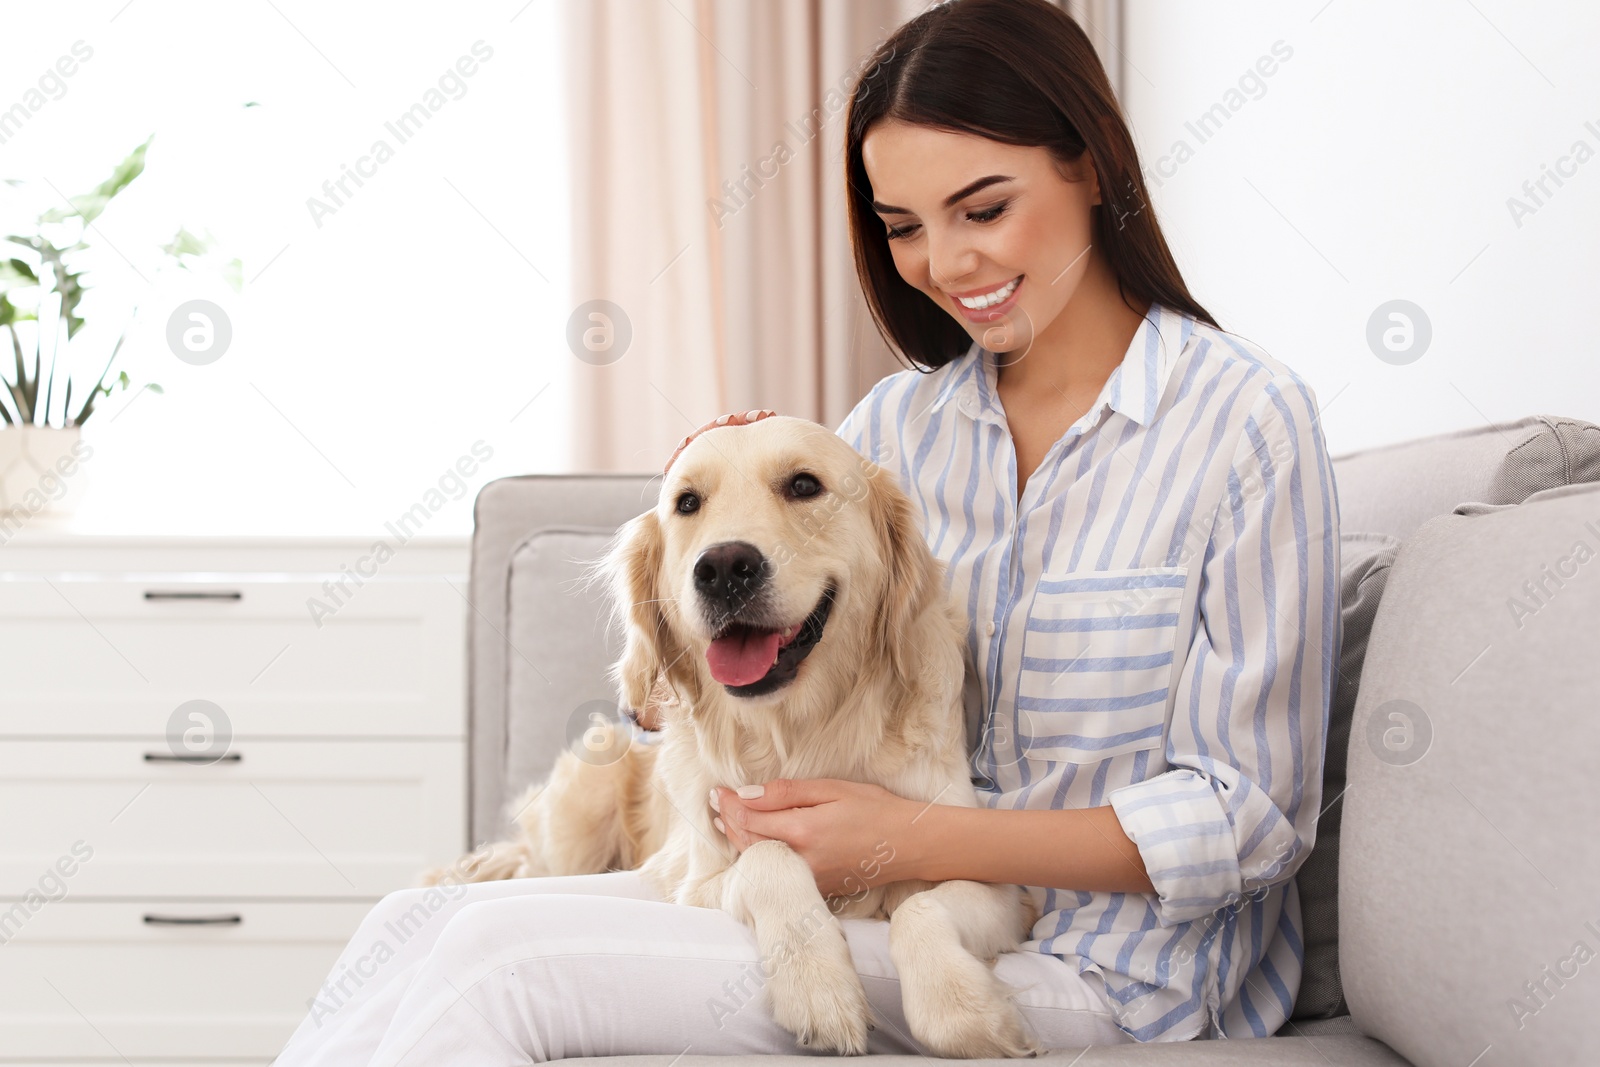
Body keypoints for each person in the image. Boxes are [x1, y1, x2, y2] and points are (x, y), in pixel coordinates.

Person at [272, 0, 1340, 1060]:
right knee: (417, 922)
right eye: (904, 226)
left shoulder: (1245, 423)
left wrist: (918, 839)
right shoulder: (891, 431)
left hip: (1114, 971)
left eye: (983, 208)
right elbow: (762, 670)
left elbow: (1249, 815)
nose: (945, 263)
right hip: (877, 911)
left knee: (508, 961)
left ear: (1092, 164)